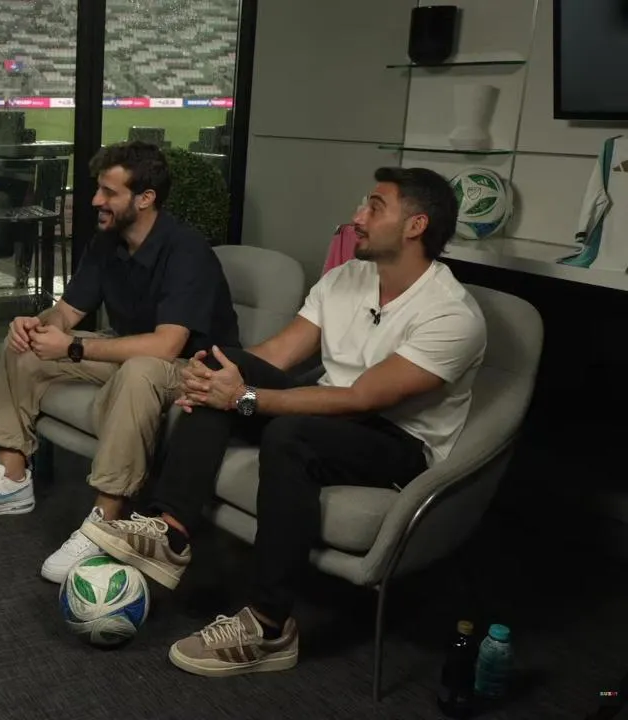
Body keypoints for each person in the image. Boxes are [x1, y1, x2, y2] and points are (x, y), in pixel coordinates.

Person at [79, 166, 488, 677]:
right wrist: (218, 380)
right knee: (225, 361)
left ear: (415, 225)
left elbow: (361, 400)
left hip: (397, 441)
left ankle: (269, 627)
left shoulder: (451, 314)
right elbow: (275, 354)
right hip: (330, 410)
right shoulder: (346, 279)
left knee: (287, 432)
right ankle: (171, 532)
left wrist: (245, 398)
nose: (357, 217)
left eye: (374, 207)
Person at [0, 141, 241, 583]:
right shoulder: (108, 241)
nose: (96, 200)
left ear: (145, 198)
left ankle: (105, 522)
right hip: (132, 353)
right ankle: (11, 479)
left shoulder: (186, 251)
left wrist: (74, 348)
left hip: (191, 369)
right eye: (98, 189)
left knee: (139, 369)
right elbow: (67, 313)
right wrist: (37, 325)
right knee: (26, 343)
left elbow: (165, 345)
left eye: (109, 192)